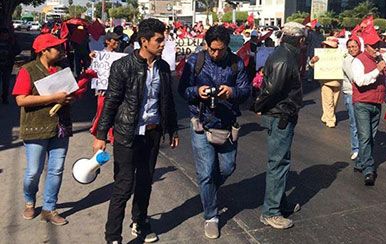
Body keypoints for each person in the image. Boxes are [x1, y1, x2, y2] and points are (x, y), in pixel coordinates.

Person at [93, 18, 179, 244]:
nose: (163, 44)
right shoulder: (123, 66)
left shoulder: (162, 67)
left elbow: (167, 101)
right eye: (158, 40)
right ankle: (113, 236)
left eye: (164, 40)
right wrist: (101, 135)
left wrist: (173, 130)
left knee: (145, 181)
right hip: (126, 133)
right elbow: (111, 102)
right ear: (144, 41)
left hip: (152, 133)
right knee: (123, 187)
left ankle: (140, 222)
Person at [178, 25, 250, 239]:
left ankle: (207, 190)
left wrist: (232, 92)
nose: (216, 54)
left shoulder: (237, 63)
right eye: (212, 49)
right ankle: (211, 215)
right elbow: (183, 90)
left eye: (221, 49)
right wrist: (197, 92)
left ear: (227, 46)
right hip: (201, 123)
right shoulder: (195, 61)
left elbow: (246, 91)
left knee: (228, 167)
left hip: (227, 124)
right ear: (206, 45)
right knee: (206, 172)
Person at [12, 33, 73, 225]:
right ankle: (30, 201)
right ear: (44, 51)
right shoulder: (28, 70)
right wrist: (54, 98)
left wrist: (69, 97)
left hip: (60, 127)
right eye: (57, 47)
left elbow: (67, 94)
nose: (62, 50)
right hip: (35, 127)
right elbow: (21, 99)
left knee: (56, 170)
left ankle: (49, 207)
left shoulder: (61, 69)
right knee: (33, 171)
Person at [254, 22, 305, 230]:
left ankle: (279, 204)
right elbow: (272, 89)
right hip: (280, 115)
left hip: (282, 114)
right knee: (278, 164)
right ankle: (271, 212)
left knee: (282, 162)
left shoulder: (285, 54)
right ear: (299, 40)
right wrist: (258, 105)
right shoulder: (284, 58)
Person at [351, 31, 386, 186]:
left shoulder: (380, 60)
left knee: (370, 137)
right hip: (363, 104)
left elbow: (384, 81)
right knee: (365, 137)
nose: (377, 48)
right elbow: (360, 81)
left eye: (378, 45)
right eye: (374, 46)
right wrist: (377, 70)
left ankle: (360, 162)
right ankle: (368, 170)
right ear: (367, 47)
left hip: (376, 103)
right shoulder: (359, 61)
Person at [309, 37, 342, 128]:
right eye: (326, 45)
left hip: (338, 81)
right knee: (328, 102)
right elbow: (314, 66)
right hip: (325, 82)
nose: (327, 47)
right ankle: (331, 120)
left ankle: (326, 116)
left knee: (334, 102)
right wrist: (312, 62)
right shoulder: (320, 55)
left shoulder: (340, 55)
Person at [342, 38, 361, 160]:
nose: (352, 49)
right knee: (354, 122)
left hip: (362, 94)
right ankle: (356, 148)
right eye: (349, 47)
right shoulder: (346, 61)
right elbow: (355, 78)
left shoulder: (363, 58)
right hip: (350, 93)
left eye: (354, 46)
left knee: (363, 123)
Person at [0, 27, 20, 104]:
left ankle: (4, 98)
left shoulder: (11, 42)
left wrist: (10, 53)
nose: (4, 36)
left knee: (6, 82)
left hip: (7, 65)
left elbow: (18, 50)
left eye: (5, 35)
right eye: (2, 35)